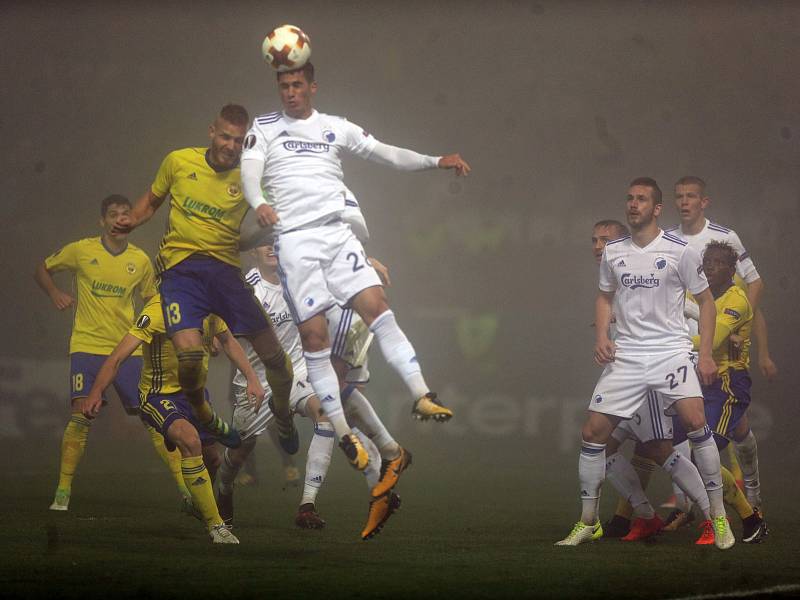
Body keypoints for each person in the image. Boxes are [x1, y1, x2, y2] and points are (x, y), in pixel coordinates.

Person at [239, 62, 470, 470]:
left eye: (297, 85)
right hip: (295, 240)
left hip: (336, 233)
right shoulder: (265, 126)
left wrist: (437, 161)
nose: (290, 92)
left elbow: (387, 153)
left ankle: (421, 394)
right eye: (284, 85)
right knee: (313, 339)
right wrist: (258, 202)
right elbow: (250, 172)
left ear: (312, 87)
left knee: (378, 307)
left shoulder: (334, 126)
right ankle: (345, 432)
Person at [556, 177, 734, 549]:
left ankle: (717, 516)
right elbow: (604, 297)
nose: (633, 204)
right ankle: (589, 521)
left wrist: (703, 355)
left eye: (641, 200)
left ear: (656, 209)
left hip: (670, 351)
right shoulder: (615, 252)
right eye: (629, 199)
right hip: (629, 358)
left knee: (695, 422)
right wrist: (603, 337)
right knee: (592, 435)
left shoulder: (679, 250)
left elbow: (704, 302)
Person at [115, 104, 297, 453]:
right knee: (188, 356)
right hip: (180, 272)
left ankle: (284, 414)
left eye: (239, 140)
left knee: (275, 358)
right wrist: (132, 221)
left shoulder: (249, 177)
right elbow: (151, 202)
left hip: (226, 273)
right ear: (211, 131)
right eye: (225, 136)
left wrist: (247, 240)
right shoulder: (179, 162)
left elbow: (275, 220)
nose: (230, 145)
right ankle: (204, 413)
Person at [215, 241, 408, 540]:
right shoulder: (248, 289)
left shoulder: (297, 276)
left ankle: (307, 504)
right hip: (258, 381)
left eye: (275, 242)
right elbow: (223, 335)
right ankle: (224, 489)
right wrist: (242, 369)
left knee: (325, 412)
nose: (271, 248)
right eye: (263, 244)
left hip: (297, 372)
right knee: (240, 452)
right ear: (252, 252)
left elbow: (336, 261)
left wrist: (368, 261)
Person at [81, 294, 263, 544]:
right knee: (190, 441)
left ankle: (197, 502)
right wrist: (95, 391)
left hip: (195, 395)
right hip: (158, 396)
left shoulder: (211, 307)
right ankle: (216, 525)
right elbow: (117, 357)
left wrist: (252, 378)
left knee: (213, 459)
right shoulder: (157, 309)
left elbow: (229, 340)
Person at [590, 220, 713, 542]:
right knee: (601, 446)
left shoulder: (653, 273)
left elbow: (696, 310)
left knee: (661, 450)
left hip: (655, 378)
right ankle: (646, 515)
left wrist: (706, 349)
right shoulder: (615, 281)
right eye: (594, 241)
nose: (598, 247)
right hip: (626, 377)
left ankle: (714, 516)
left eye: (605, 240)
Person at [35, 194, 159, 512]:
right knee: (81, 415)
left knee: (154, 415)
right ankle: (63, 490)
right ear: (102, 221)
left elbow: (151, 299)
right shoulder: (81, 250)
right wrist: (54, 293)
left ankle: (188, 490)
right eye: (113, 214)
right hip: (87, 346)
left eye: (125, 214)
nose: (120, 219)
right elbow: (42, 269)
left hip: (126, 349)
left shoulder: (140, 260)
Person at [667, 176, 770, 509]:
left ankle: (746, 493)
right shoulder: (667, 239)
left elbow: (756, 283)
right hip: (684, 340)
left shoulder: (725, 237)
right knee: (697, 421)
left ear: (703, 202)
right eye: (679, 196)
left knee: (729, 423)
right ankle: (688, 497)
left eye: (691, 196)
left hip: (721, 338)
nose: (684, 202)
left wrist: (740, 321)